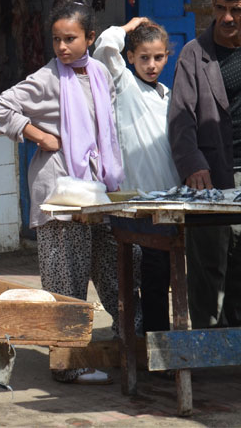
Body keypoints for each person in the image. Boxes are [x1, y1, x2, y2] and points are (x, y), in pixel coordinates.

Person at [0, 0, 140, 385]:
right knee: (66, 282)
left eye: (70, 39)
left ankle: (132, 348)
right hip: (60, 198)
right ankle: (67, 362)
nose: (62, 47)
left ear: (89, 37)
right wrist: (37, 134)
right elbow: (1, 108)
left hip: (97, 193)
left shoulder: (101, 74)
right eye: (56, 39)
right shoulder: (49, 78)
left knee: (117, 270)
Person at [93, 18, 180, 334]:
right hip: (136, 202)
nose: (151, 64)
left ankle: (161, 342)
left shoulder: (168, 95)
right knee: (148, 274)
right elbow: (104, 45)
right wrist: (130, 26)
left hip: (169, 202)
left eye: (158, 57)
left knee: (165, 277)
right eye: (143, 57)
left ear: (167, 56)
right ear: (130, 58)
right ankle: (152, 344)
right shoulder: (124, 84)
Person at [168, 0, 241, 329]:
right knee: (208, 260)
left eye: (236, 10)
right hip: (212, 175)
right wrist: (193, 164)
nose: (227, 17)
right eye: (220, 8)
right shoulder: (194, 55)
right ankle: (207, 343)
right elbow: (180, 120)